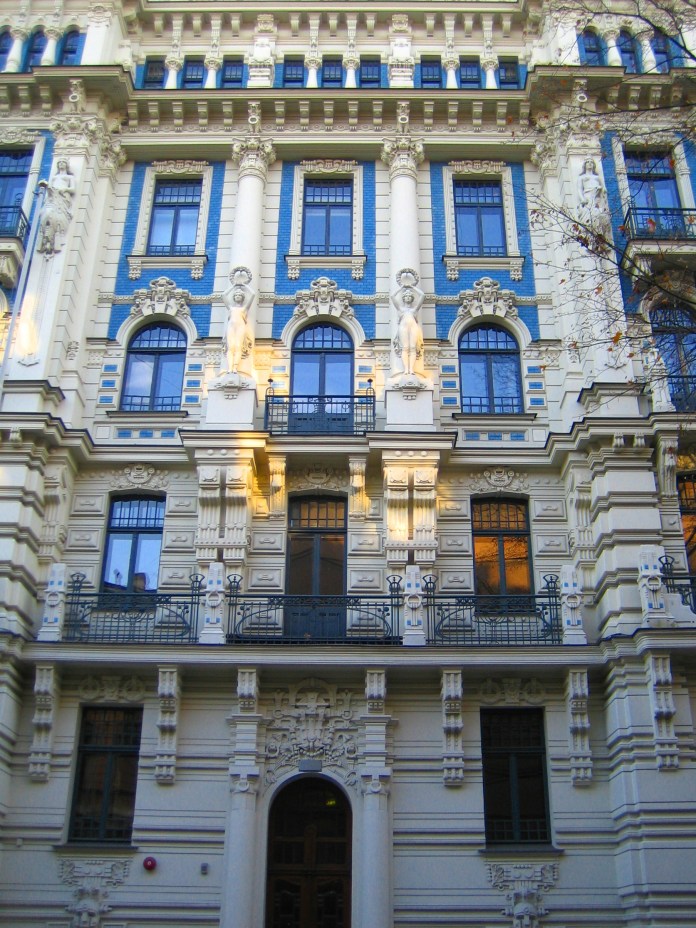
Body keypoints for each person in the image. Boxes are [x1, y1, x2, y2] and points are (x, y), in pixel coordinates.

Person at [37, 159, 76, 256]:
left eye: (63, 162)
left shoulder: (69, 177)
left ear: (66, 165)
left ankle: (58, 232)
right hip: (52, 197)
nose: (61, 164)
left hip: (63, 196)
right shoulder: (54, 177)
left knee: (59, 213)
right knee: (48, 213)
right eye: (59, 163)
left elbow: (73, 189)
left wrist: (65, 189)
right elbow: (49, 187)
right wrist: (47, 199)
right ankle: (46, 238)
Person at [221, 268, 254, 375]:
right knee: (230, 348)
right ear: (234, 297)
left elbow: (253, 294)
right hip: (231, 327)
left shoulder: (244, 309)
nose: (238, 296)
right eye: (236, 295)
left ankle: (235, 368)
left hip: (240, 327)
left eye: (239, 295)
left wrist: (244, 285)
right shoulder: (230, 308)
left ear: (243, 297)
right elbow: (224, 296)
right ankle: (229, 368)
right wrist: (234, 286)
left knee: (238, 347)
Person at [392, 271, 425, 377]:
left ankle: (411, 369)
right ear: (403, 298)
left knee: (413, 347)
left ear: (411, 298)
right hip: (403, 327)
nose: (407, 297)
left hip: (414, 328)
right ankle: (406, 369)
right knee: (405, 347)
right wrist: (402, 287)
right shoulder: (400, 309)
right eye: (406, 296)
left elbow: (422, 295)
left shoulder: (414, 310)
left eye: (409, 296)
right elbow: (392, 296)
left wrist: (412, 287)